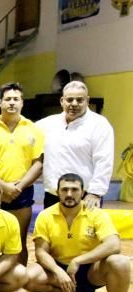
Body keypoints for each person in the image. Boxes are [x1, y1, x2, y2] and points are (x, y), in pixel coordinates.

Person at [23, 173, 130, 292]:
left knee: (120, 262)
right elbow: (41, 252)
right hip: (58, 269)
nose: (69, 194)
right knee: (25, 276)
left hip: (90, 270)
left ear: (83, 192)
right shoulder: (46, 215)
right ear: (57, 192)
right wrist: (58, 272)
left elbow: (114, 245)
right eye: (64, 189)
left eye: (74, 189)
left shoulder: (96, 213)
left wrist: (78, 261)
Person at [0, 82, 44, 267]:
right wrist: (3, 187)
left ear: (22, 103)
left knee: (19, 239)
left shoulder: (34, 129)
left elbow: (38, 163)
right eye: (8, 99)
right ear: (0, 103)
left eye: (16, 99)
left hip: (21, 192)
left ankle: (18, 284)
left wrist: (18, 187)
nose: (12, 103)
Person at [37, 81, 114, 209]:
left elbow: (104, 161)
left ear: (87, 100)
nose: (74, 104)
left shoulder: (100, 125)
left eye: (79, 100)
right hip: (53, 196)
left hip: (87, 197)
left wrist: (95, 193)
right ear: (62, 101)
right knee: (54, 230)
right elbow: (22, 129)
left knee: (85, 230)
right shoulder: (47, 124)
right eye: (70, 99)